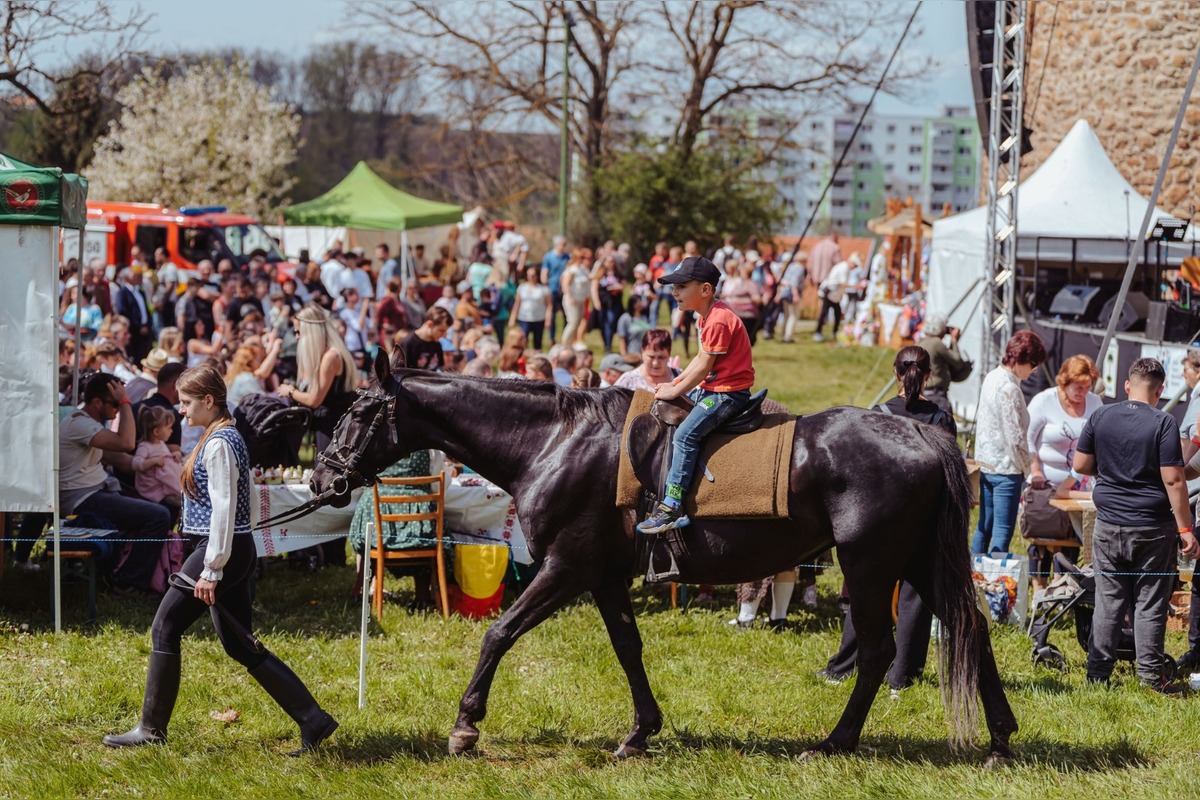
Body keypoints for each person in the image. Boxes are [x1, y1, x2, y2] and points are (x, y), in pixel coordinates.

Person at [103, 364, 339, 752]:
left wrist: (211, 569)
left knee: (165, 627)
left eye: (186, 402)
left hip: (220, 549)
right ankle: (314, 719)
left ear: (209, 401)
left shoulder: (219, 443)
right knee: (239, 643)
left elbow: (224, 510)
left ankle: (150, 730)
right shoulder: (219, 436)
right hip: (231, 548)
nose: (180, 410)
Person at [819, 346, 955, 686]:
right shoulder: (940, 418)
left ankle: (843, 667)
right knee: (916, 596)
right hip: (923, 518)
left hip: (876, 518)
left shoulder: (876, 414)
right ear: (928, 376)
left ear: (896, 373)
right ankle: (903, 674)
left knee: (866, 593)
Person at [1075, 358, 1200, 693]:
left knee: (1108, 601)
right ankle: (1150, 678)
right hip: (1152, 528)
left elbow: (1081, 463)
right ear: (1159, 391)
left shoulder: (1100, 414)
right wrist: (1187, 530)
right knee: (1149, 603)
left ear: (1128, 385)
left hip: (1108, 523)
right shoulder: (1163, 423)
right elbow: (1174, 479)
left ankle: (1097, 676)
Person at [638, 257, 754, 533]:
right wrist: (675, 383)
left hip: (728, 393)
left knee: (685, 435)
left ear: (705, 290)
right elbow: (700, 358)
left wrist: (676, 389)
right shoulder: (705, 317)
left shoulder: (719, 321)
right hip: (713, 387)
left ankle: (672, 506)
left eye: (681, 286)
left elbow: (704, 366)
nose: (674, 292)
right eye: (673, 286)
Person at [59, 373, 172, 593]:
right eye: (115, 404)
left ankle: (125, 570)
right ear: (97, 402)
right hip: (82, 499)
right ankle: (127, 581)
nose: (118, 410)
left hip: (96, 492)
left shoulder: (91, 426)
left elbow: (123, 460)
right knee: (158, 516)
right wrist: (126, 401)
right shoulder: (79, 423)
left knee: (163, 505)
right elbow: (126, 443)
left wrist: (157, 465)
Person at [1026, 354, 1103, 577]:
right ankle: (1040, 586)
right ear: (1064, 382)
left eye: (1087, 387)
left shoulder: (1095, 403)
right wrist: (1035, 469)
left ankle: (1066, 585)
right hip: (1046, 483)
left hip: (1079, 484)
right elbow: (1027, 437)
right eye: (1077, 387)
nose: (1082, 393)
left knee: (1072, 538)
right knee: (1044, 538)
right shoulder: (1044, 400)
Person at [972, 330, 1046, 555]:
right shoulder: (1009, 389)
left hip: (985, 463)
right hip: (1006, 470)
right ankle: (994, 585)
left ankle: (972, 577)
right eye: (1033, 365)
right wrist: (1028, 470)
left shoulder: (992, 376)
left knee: (984, 527)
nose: (1034, 371)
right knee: (1001, 532)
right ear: (1021, 360)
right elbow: (1014, 439)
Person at [133, 405, 183, 526]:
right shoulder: (145, 446)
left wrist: (174, 455)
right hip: (153, 491)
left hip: (163, 487)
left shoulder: (161, 443)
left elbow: (164, 458)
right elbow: (135, 464)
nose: (171, 431)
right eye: (169, 428)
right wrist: (153, 461)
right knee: (171, 509)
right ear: (156, 431)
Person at [916, 313, 973, 416]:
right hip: (936, 396)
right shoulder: (937, 343)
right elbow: (957, 361)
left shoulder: (921, 342)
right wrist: (954, 341)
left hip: (923, 393)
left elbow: (948, 359)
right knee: (944, 427)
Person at [813, 253, 858, 343]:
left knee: (837, 314)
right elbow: (842, 283)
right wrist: (855, 286)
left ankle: (834, 332)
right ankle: (818, 332)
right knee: (824, 314)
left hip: (835, 295)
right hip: (830, 293)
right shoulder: (843, 268)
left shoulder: (845, 268)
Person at [720, 258, 762, 345]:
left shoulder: (750, 284)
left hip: (746, 315)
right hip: (736, 313)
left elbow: (757, 299)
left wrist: (745, 301)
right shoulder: (741, 283)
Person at [114, 267, 153, 362]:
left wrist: (146, 325)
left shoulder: (140, 292)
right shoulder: (123, 293)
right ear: (126, 277)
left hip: (144, 332)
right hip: (133, 332)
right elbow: (123, 311)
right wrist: (138, 327)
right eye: (133, 274)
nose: (136, 276)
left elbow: (146, 310)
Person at [397, 307, 451, 373]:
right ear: (430, 324)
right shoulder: (408, 343)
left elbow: (440, 369)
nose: (443, 335)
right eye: (441, 330)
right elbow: (400, 373)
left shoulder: (437, 344)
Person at [511, 266, 553, 350]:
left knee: (537, 341)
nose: (530, 278)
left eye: (533, 275)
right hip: (524, 318)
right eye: (528, 275)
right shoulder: (522, 288)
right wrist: (512, 318)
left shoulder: (543, 289)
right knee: (523, 340)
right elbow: (517, 304)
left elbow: (549, 305)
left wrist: (548, 319)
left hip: (538, 318)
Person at [591, 254, 625, 353]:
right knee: (602, 324)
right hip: (602, 302)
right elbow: (594, 287)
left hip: (614, 303)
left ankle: (608, 346)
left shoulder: (618, 274)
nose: (611, 263)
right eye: (609, 261)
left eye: (612, 261)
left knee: (610, 323)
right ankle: (606, 343)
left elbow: (623, 286)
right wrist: (596, 301)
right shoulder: (600, 274)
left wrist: (618, 287)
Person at [560, 247, 592, 346]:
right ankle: (564, 344)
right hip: (572, 300)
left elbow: (591, 277)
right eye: (582, 258)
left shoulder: (583, 270)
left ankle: (572, 344)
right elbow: (565, 284)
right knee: (573, 323)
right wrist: (570, 297)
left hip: (581, 300)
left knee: (578, 323)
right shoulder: (572, 270)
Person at [541, 235, 570, 340]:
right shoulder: (548, 257)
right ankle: (552, 338)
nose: (565, 246)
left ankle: (565, 337)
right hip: (552, 288)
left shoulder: (567, 257)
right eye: (563, 244)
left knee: (566, 315)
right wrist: (545, 286)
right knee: (551, 315)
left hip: (564, 290)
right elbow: (544, 272)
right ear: (557, 245)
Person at [777, 252, 806, 343]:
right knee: (793, 316)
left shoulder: (790, 267)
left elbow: (783, 280)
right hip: (792, 293)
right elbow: (794, 282)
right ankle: (788, 337)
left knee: (787, 315)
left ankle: (783, 334)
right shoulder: (800, 268)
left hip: (785, 292)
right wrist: (796, 295)